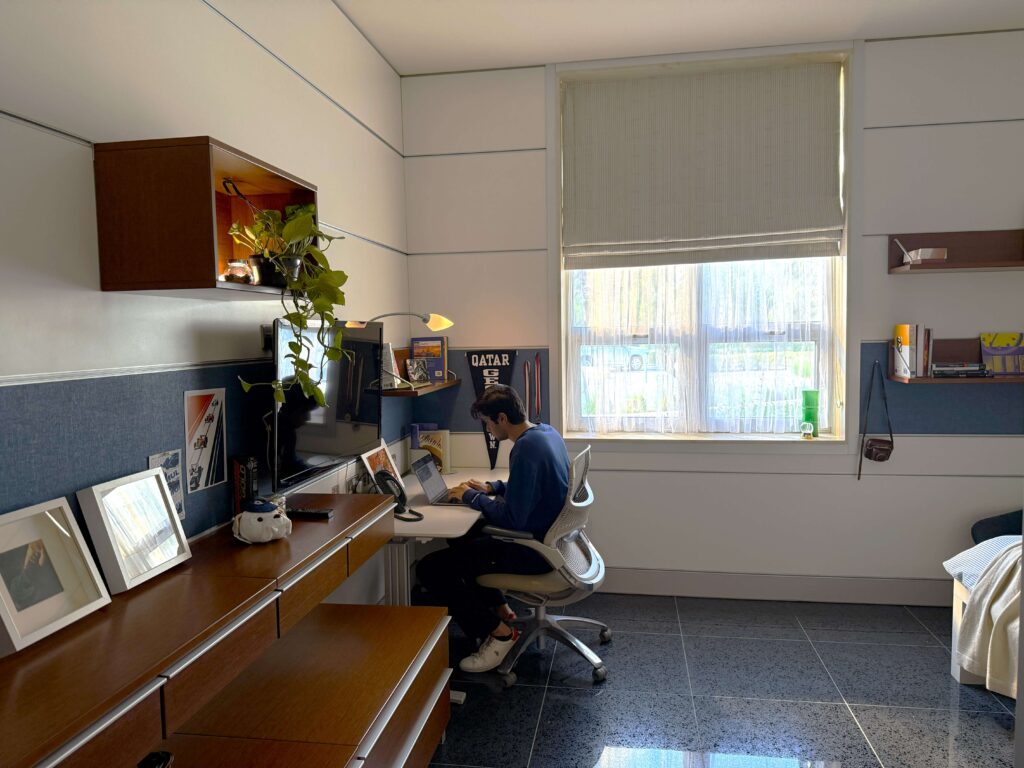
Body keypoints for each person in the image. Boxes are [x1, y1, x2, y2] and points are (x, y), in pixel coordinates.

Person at [416, 384, 569, 673]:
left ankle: (499, 634)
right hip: (548, 540)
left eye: (487, 422)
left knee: (431, 568)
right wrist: (492, 487)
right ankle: (500, 608)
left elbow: (513, 519)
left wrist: (471, 497)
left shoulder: (524, 450)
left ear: (501, 418)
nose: (488, 429)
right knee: (464, 539)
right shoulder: (545, 433)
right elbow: (531, 486)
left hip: (532, 551)